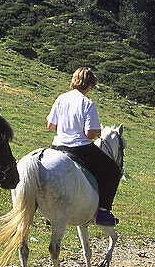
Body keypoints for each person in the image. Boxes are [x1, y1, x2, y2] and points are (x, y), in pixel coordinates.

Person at [47, 67, 121, 227]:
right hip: (79, 149)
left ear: (74, 80)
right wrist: (98, 132)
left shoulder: (61, 98)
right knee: (113, 171)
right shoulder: (88, 104)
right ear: (90, 85)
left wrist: (65, 130)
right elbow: (89, 134)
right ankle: (103, 212)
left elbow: (51, 125)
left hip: (57, 146)